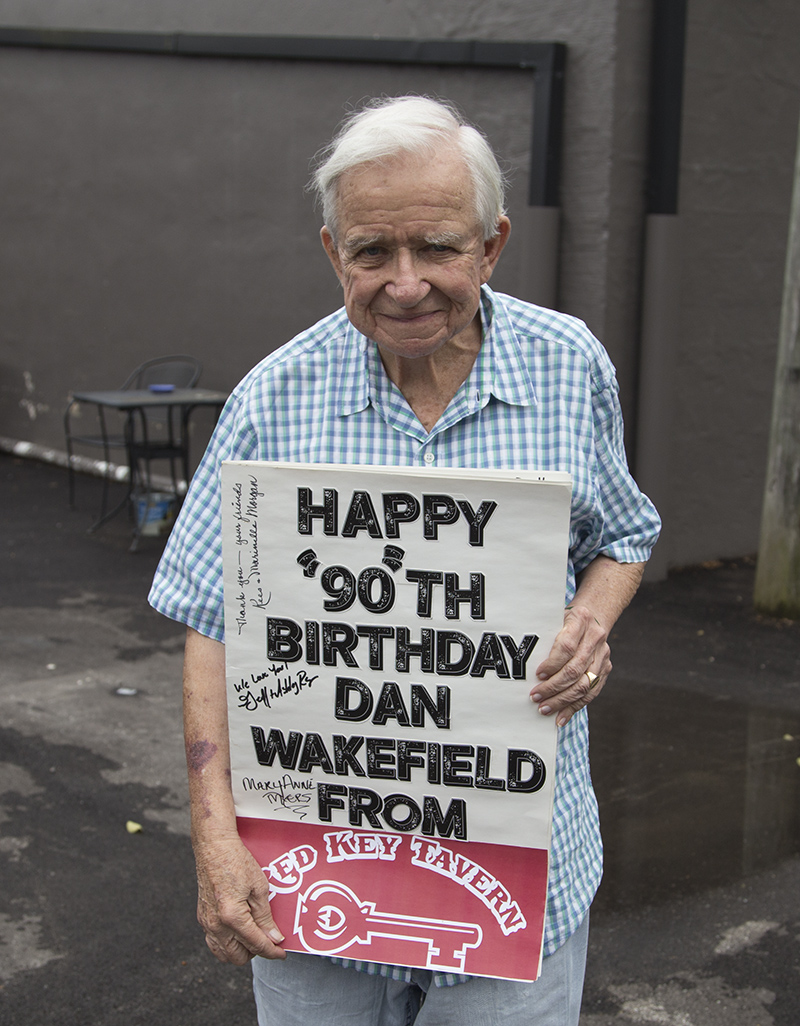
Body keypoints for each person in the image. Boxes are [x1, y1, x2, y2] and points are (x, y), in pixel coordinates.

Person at [149, 96, 660, 1025]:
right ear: (331, 251)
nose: (407, 282)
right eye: (372, 251)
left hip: (513, 874)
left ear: (492, 245)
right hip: (310, 874)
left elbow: (623, 535)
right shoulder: (273, 397)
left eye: (439, 248)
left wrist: (590, 624)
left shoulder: (568, 366)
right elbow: (211, 618)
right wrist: (215, 842)